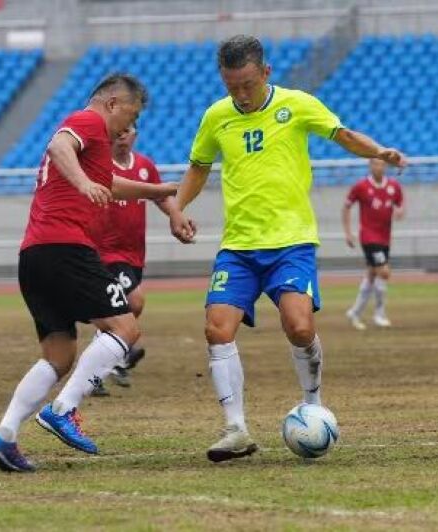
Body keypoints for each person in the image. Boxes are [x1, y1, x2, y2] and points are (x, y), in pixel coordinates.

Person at [170, 35, 407, 462]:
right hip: (238, 246)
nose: (241, 94)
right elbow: (198, 167)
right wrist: (177, 209)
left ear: (266, 72)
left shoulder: (296, 105)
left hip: (291, 242)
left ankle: (312, 404)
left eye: (248, 84)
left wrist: (379, 151)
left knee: (298, 326)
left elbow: (342, 134)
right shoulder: (216, 116)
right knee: (217, 329)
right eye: (231, 86)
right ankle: (235, 429)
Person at [0, 73, 178, 473]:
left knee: (59, 355)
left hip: (35, 254)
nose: (129, 126)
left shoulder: (95, 145)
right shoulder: (87, 121)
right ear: (112, 104)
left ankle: (4, 436)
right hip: (66, 247)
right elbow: (59, 146)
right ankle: (64, 409)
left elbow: (111, 185)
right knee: (125, 327)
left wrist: (159, 192)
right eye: (131, 115)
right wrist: (84, 182)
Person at [90, 124, 183, 395]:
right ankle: (118, 354)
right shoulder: (99, 166)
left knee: (119, 310)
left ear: (135, 135)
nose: (122, 135)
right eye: (118, 131)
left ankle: (103, 364)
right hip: (106, 251)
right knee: (134, 301)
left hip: (134, 252)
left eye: (127, 131)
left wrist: (176, 214)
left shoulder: (144, 165)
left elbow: (158, 196)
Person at [342, 158, 405, 329]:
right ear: (370, 166)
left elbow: (400, 203)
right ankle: (379, 314)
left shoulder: (393, 186)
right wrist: (348, 232)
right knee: (384, 272)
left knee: (371, 274)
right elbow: (346, 207)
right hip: (369, 237)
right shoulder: (361, 186)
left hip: (385, 238)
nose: (379, 167)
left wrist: (400, 211)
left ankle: (355, 312)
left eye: (382, 164)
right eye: (375, 164)